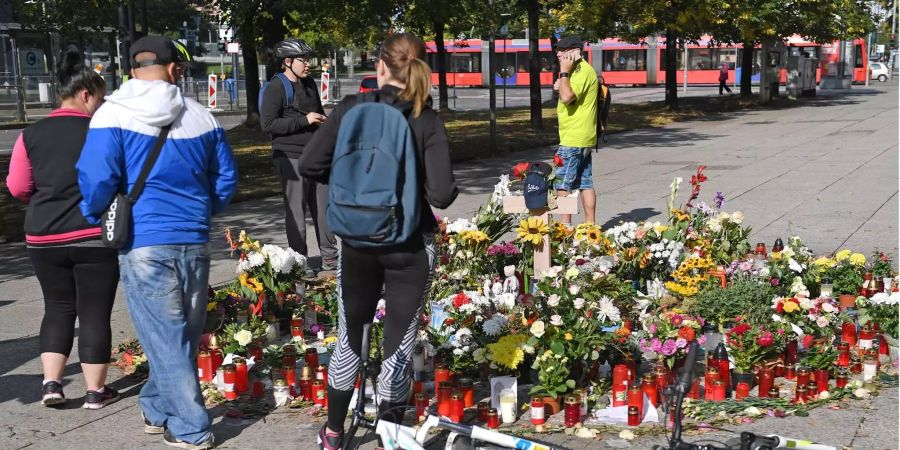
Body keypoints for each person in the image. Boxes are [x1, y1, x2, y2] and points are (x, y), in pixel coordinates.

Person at [298, 33, 458, 450]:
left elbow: (311, 163)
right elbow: (441, 194)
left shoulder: (352, 108)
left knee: (349, 337)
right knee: (398, 346)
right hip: (410, 245)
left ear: (380, 67)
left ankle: (333, 434)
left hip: (356, 243)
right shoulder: (427, 119)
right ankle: (390, 438)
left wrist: (358, 189)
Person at [76, 36, 237, 450]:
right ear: (172, 69)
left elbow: (95, 179)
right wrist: (200, 210)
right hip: (194, 240)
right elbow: (225, 180)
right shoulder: (203, 117)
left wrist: (102, 213)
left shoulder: (111, 114)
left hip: (145, 240)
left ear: (132, 69)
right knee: (179, 335)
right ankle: (155, 407)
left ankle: (191, 426)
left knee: (166, 337)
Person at [5, 45, 119, 410]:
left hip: (43, 235)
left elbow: (18, 187)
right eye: (100, 99)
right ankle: (94, 391)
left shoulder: (30, 133)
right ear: (86, 94)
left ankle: (52, 384)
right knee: (94, 311)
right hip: (92, 235)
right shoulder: (102, 131)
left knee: (56, 307)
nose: (100, 106)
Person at [260, 38, 337, 272]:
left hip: (316, 156)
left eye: (307, 59)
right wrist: (304, 120)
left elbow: (318, 114)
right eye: (303, 60)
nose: (307, 64)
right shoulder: (276, 87)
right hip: (290, 157)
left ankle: (331, 260)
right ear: (288, 61)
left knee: (324, 210)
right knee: (296, 213)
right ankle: (300, 263)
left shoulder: (310, 84)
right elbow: (268, 124)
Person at [552, 35, 598, 224]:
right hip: (584, 137)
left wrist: (563, 73)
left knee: (562, 185)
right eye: (558, 50)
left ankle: (565, 229)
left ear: (577, 52)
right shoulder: (580, 71)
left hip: (573, 138)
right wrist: (562, 83)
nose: (559, 54)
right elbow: (568, 93)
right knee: (585, 183)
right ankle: (590, 227)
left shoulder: (580, 71)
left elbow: (567, 97)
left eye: (564, 50)